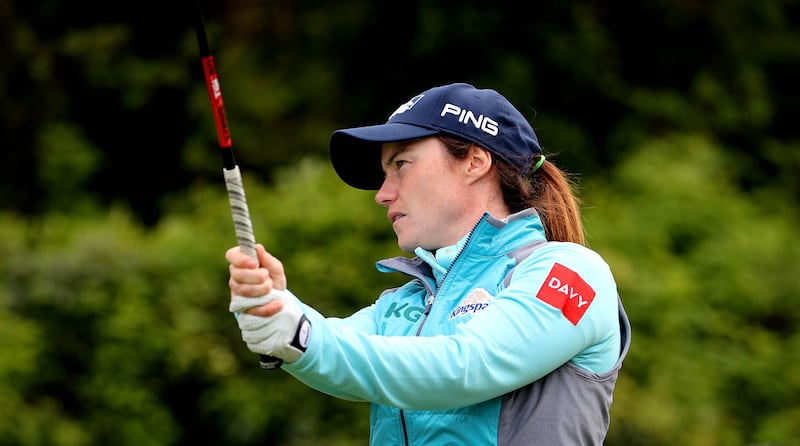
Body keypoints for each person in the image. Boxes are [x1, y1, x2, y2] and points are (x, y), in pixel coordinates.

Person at [225, 82, 631, 445]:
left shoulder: (571, 271)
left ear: (475, 161)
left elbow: (465, 366)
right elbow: (330, 347)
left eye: (400, 164)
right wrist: (274, 309)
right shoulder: (404, 302)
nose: (382, 194)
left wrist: (298, 331)